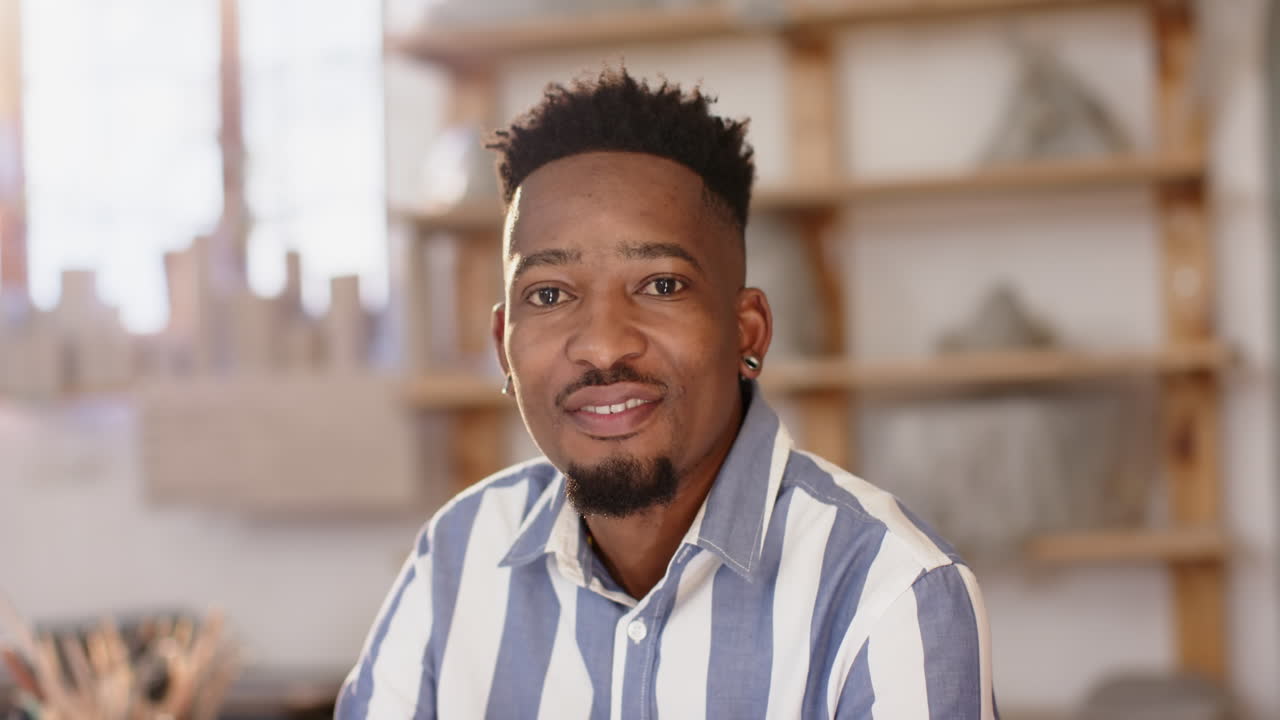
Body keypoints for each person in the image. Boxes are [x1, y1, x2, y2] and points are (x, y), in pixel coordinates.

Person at [337, 68, 997, 720]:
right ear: (503, 342)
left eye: (660, 285)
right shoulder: (458, 553)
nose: (602, 345)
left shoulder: (891, 592)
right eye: (548, 294)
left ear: (749, 332)